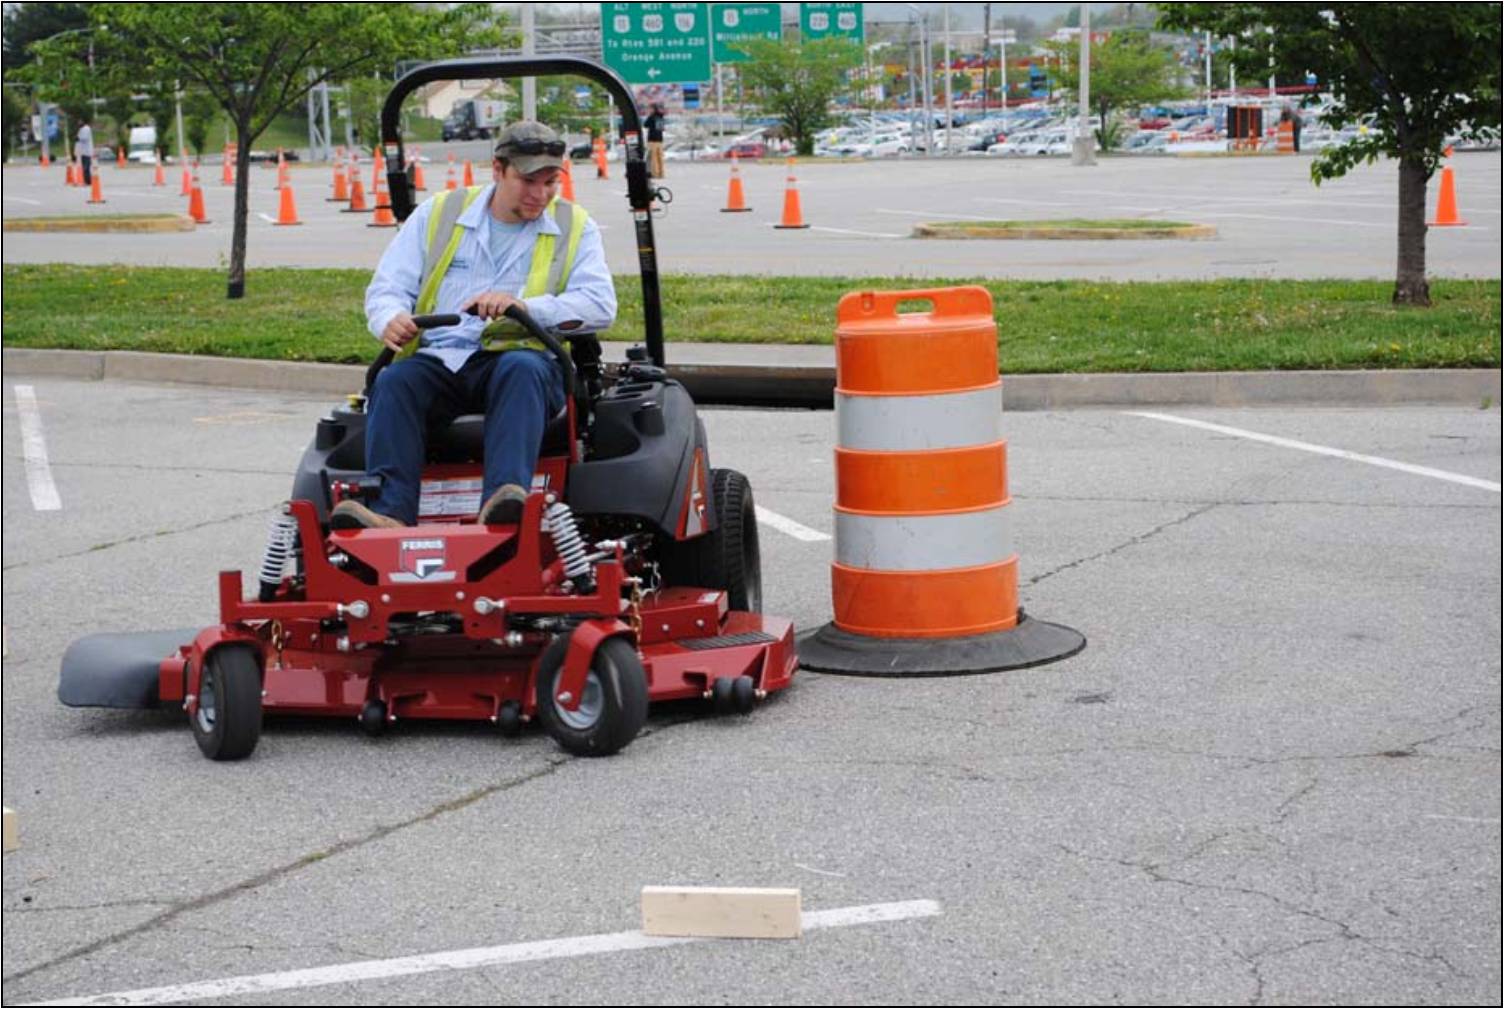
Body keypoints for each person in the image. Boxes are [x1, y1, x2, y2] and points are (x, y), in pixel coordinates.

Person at [333, 121, 617, 530]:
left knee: (520, 369)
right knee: (393, 382)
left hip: (521, 361)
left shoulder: (575, 226)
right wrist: (389, 318)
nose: (540, 194)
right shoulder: (439, 214)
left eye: (550, 182)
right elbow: (388, 286)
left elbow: (599, 305)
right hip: (440, 359)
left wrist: (525, 307)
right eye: (528, 181)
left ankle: (504, 504)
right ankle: (390, 513)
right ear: (498, 170)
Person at [644, 102, 666, 178]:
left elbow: (645, 124)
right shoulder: (661, 117)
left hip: (652, 140)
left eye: (650, 108)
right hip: (660, 140)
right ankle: (661, 173)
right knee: (660, 158)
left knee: (653, 158)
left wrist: (650, 116)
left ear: (653, 109)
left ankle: (655, 173)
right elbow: (662, 129)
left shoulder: (651, 117)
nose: (649, 110)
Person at [76, 120, 94, 185]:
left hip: (87, 151)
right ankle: (86, 181)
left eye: (80, 122)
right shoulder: (81, 129)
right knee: (84, 167)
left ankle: (88, 181)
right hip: (83, 151)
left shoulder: (86, 128)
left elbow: (84, 138)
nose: (78, 123)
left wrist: (78, 138)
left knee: (86, 167)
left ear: (83, 122)